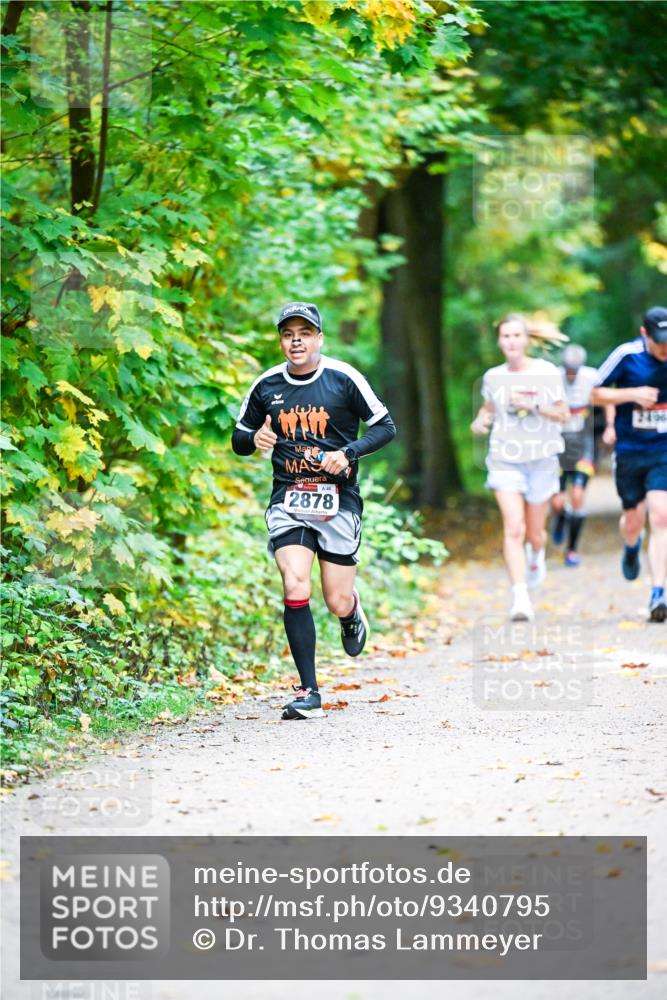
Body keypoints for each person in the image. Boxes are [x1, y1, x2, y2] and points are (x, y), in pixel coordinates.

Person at [232, 301, 396, 718]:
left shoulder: (343, 379)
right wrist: (255, 441)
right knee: (294, 584)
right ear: (282, 341)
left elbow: (385, 426)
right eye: (288, 334)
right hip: (289, 499)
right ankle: (309, 693)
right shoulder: (266, 385)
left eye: (305, 333)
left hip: (338, 501)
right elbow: (239, 437)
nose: (296, 341)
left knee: (335, 598)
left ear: (319, 338)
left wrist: (349, 452)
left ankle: (351, 612)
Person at [471, 313, 570, 621]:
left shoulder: (546, 372)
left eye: (516, 336)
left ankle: (537, 554)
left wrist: (535, 406)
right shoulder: (493, 377)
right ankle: (520, 597)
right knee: (514, 528)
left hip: (541, 460)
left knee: (535, 534)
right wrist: (481, 420)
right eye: (506, 336)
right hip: (505, 460)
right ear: (500, 341)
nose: (511, 341)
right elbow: (489, 407)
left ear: (527, 340)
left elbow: (564, 413)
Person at [591, 306, 667, 622]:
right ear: (644, 335)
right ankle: (631, 546)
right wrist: (631, 393)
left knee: (661, 516)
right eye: (659, 341)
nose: (665, 348)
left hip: (663, 450)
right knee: (633, 521)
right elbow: (592, 393)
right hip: (631, 451)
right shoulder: (627, 355)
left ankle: (658, 593)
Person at [550, 344, 599, 566]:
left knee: (577, 496)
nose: (571, 374)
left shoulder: (592, 377)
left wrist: (609, 427)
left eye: (574, 370)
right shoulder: (553, 378)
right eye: (568, 369)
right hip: (558, 444)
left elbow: (605, 400)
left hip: (583, 443)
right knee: (559, 502)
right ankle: (560, 518)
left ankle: (571, 550)